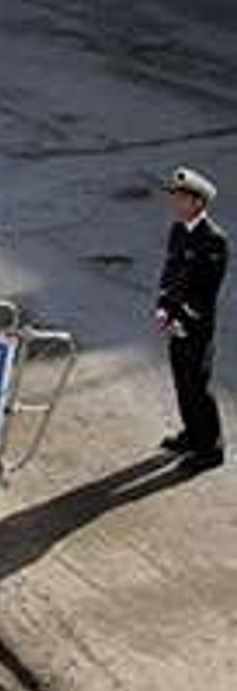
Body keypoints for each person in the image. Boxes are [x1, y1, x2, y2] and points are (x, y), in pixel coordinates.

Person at [156, 167, 228, 471]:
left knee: (198, 386)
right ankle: (192, 434)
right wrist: (163, 306)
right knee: (182, 383)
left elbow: (206, 288)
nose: (176, 204)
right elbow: (171, 272)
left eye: (182, 198)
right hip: (177, 322)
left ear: (198, 202)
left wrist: (181, 314)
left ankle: (210, 448)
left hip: (197, 326)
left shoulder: (213, 239)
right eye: (175, 197)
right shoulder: (178, 231)